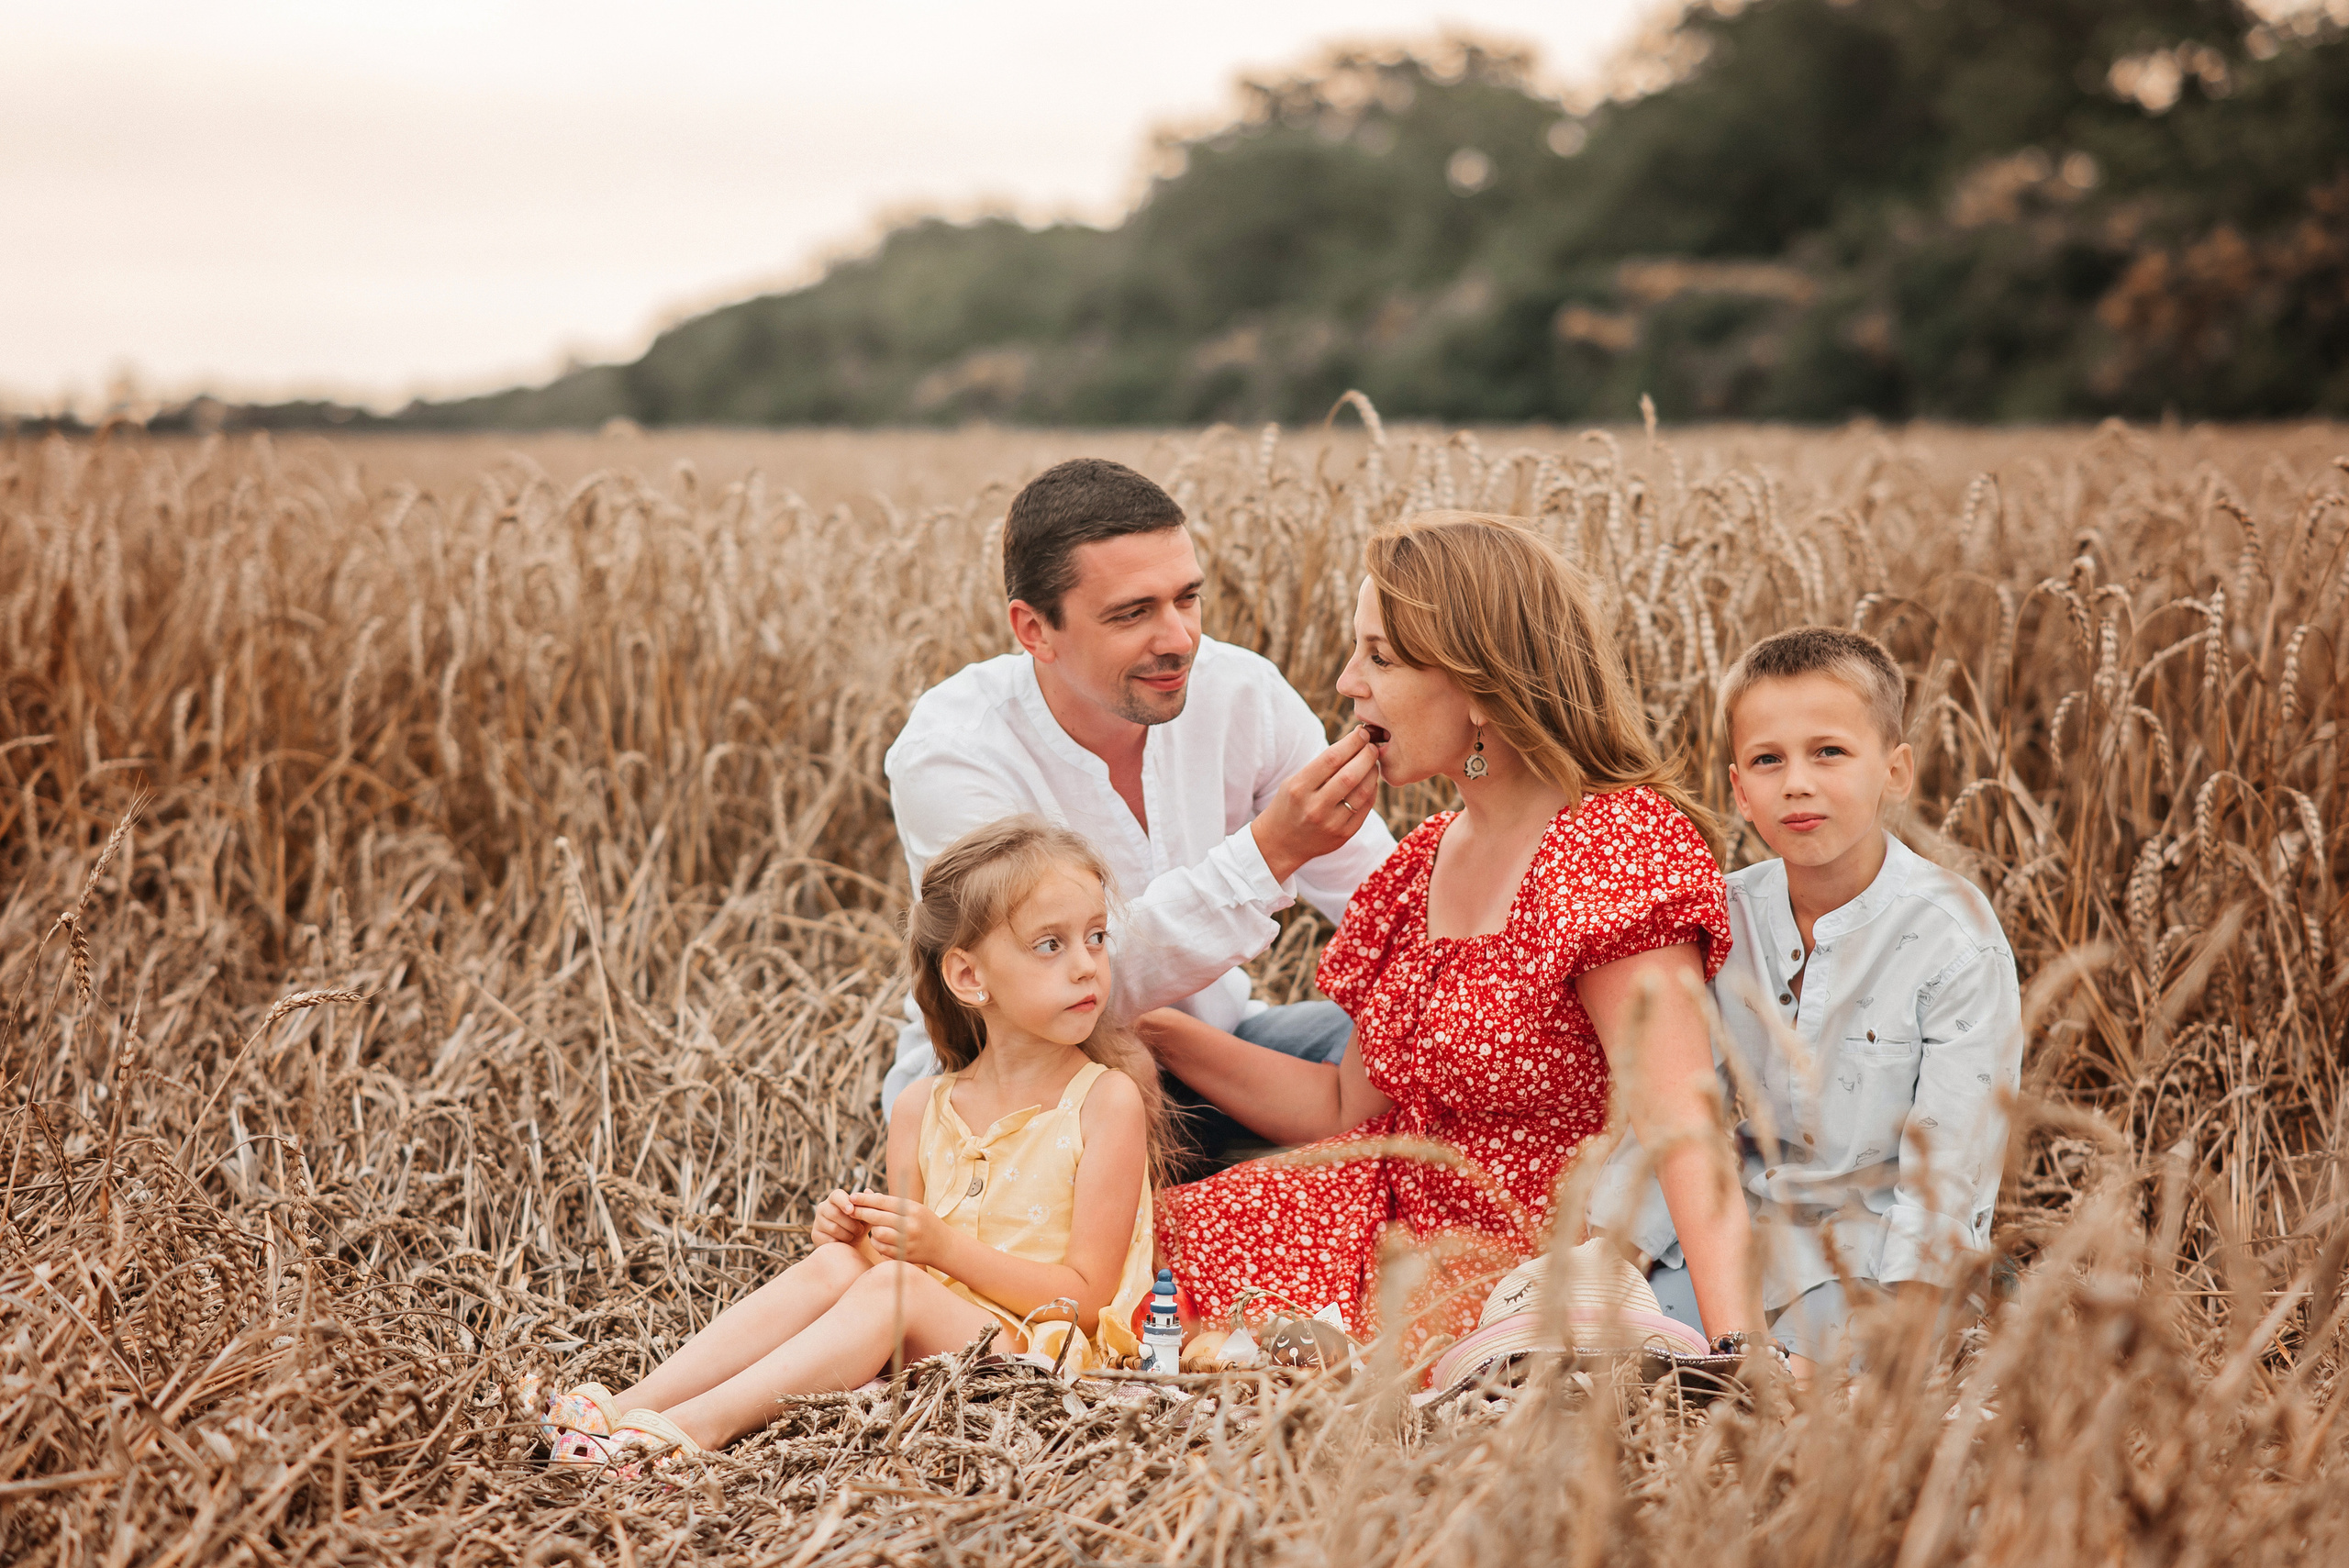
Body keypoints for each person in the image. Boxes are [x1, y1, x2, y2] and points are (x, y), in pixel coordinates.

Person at [1146, 512, 1764, 1366]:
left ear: (1480, 685)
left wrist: (1741, 1354)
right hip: (1374, 1215)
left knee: (1239, 1354)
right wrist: (1151, 1025)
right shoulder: (1422, 862)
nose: (1345, 681)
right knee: (1118, 1260)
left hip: (1516, 1271)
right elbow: (1340, 1109)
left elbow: (1684, 1129)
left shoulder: (1612, 850)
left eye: (1381, 656)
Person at [532, 817, 1168, 1467]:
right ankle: (621, 1408)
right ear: (970, 977)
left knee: (894, 1289)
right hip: (940, 1336)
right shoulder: (922, 1107)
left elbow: (1086, 1298)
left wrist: (942, 1246)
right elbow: (908, 1268)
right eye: (1050, 944)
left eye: (1096, 936)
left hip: (1040, 1355)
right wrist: (860, 1237)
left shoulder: (1103, 1099)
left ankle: (689, 1432)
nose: (1087, 964)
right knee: (841, 1267)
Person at [881, 458, 1396, 1162]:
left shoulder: (1243, 693)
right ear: (1034, 629)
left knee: (1414, 1065)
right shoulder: (954, 753)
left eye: (1187, 598)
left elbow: (1388, 903)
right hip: (1023, 1091)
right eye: (1133, 613)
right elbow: (1045, 992)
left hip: (1215, 1044)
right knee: (1119, 1090)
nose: (1179, 638)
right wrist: (1267, 853)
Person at [1594, 626, 2023, 1378]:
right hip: (1747, 1240)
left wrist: (1908, 1339)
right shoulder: (1724, 917)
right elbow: (1679, 1110)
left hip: (1878, 1255)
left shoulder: (1954, 939)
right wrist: (1609, 1256)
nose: (1796, 781)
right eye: (1768, 760)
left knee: (1809, 1384)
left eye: (1828, 752)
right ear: (1739, 788)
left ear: (1895, 771)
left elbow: (1951, 1158)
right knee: (1627, 1356)